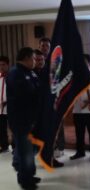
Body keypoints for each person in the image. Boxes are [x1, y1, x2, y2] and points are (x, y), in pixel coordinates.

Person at [6, 47, 41, 189]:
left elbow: (37, 88)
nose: (35, 61)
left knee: (31, 151)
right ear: (26, 58)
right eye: (33, 58)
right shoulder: (15, 73)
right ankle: (25, 180)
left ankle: (29, 174)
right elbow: (24, 95)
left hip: (32, 119)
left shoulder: (30, 72)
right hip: (21, 120)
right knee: (25, 152)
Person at [38, 37, 64, 167]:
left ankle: (53, 155)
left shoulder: (55, 61)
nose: (45, 48)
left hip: (54, 102)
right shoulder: (35, 63)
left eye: (47, 46)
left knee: (55, 131)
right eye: (42, 46)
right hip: (41, 106)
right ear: (39, 47)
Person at [70, 54, 90, 162]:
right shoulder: (74, 76)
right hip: (77, 110)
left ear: (89, 63)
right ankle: (80, 152)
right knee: (79, 132)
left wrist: (88, 101)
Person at [0, 56, 9, 153]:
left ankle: (16, 147)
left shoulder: (12, 76)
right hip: (0, 107)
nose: (1, 67)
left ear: (8, 65)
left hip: (10, 106)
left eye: (3, 65)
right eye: (0, 65)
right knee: (1, 128)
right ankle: (4, 146)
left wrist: (7, 101)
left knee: (14, 128)